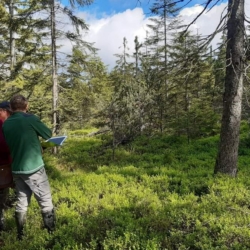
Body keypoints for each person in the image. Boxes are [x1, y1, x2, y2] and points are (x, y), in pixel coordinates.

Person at [2, 94, 55, 240]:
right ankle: (52, 235)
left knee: (22, 201)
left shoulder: (6, 123)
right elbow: (48, 133)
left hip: (17, 169)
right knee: (45, 200)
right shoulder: (30, 119)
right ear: (27, 106)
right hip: (34, 168)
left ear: (11, 108)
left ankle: (21, 236)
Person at [0, 101, 13, 231]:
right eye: (9, 113)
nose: (9, 115)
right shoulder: (1, 124)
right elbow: (3, 146)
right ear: (2, 111)